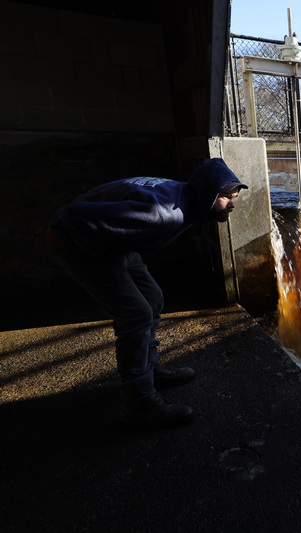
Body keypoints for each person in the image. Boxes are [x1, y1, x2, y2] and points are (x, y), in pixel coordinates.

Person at [46, 158, 247, 429]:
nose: (232, 204)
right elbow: (74, 218)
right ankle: (140, 402)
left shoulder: (185, 196)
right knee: (136, 315)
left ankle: (150, 371)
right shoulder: (162, 213)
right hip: (76, 242)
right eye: (226, 198)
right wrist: (101, 255)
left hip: (113, 241)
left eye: (234, 197)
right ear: (206, 194)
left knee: (152, 298)